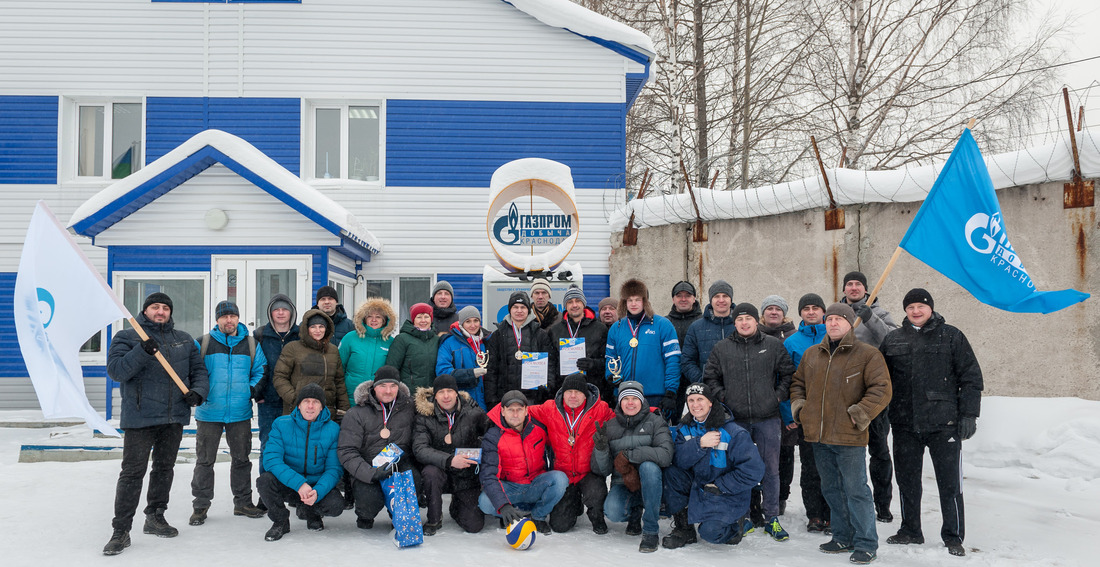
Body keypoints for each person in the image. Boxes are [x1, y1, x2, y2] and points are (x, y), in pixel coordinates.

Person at [103, 292, 208, 556]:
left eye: (165, 308)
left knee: (164, 469)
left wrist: (198, 392)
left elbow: (199, 371)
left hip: (173, 417)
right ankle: (121, 530)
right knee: (132, 473)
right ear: (145, 310)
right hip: (140, 417)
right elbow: (117, 371)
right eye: (155, 307)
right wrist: (141, 350)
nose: (160, 312)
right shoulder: (127, 337)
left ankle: (155, 516)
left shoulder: (183, 340)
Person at [880, 289, 983, 557]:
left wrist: (969, 415)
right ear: (905, 310)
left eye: (920, 306)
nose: (916, 311)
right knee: (907, 481)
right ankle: (911, 530)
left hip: (943, 424)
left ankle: (953, 535)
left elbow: (971, 378)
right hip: (904, 425)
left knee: (950, 484)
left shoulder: (952, 336)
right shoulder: (893, 340)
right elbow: (880, 382)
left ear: (931, 308)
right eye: (911, 307)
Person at [790, 303, 892, 565]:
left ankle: (866, 543)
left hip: (848, 437)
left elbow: (881, 388)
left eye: (839, 319)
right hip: (818, 436)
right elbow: (798, 384)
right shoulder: (812, 354)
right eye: (830, 319)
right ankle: (842, 536)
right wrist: (801, 409)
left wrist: (858, 415)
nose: (833, 323)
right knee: (832, 488)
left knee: (856, 489)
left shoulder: (867, 355)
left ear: (850, 323)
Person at [703, 302, 795, 541]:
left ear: (757, 322)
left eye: (748, 319)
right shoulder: (722, 348)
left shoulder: (773, 345)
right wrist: (723, 397)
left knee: (770, 469)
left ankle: (771, 517)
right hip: (736, 420)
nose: (744, 323)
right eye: (739, 319)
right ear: (735, 323)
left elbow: (788, 374)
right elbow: (710, 376)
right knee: (738, 468)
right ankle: (742, 516)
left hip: (768, 418)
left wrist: (777, 396)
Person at [189, 301, 267, 526]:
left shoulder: (251, 344)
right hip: (209, 412)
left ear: (238, 318)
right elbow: (192, 371)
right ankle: (200, 506)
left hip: (240, 412)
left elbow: (261, 370)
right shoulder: (202, 343)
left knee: (242, 460)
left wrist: (249, 391)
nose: (229, 320)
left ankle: (242, 503)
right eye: (224, 317)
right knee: (204, 461)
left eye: (233, 316)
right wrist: (199, 393)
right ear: (217, 320)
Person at [662, 383, 764, 549]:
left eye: (700, 399)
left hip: (726, 492)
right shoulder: (684, 428)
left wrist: (721, 485)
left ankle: (734, 526)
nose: (695, 405)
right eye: (691, 400)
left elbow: (754, 471)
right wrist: (699, 444)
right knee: (672, 473)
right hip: (699, 486)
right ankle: (684, 529)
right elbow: (679, 460)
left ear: (710, 402)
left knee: (711, 533)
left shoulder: (734, 432)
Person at [840, 271, 897, 522]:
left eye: (858, 284)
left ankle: (882, 504)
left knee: (879, 451)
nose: (853, 288)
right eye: (849, 284)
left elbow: (892, 339)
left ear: (866, 289)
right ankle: (847, 503)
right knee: (847, 452)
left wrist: (870, 317)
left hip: (873, 396)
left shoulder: (881, 313)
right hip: (843, 394)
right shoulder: (837, 313)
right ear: (844, 290)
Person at [591, 381, 673, 553]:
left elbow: (665, 455)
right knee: (612, 510)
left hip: (651, 483)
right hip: (623, 483)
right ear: (619, 402)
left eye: (634, 398)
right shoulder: (611, 426)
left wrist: (630, 455)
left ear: (642, 401)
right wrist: (601, 449)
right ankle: (635, 511)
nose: (630, 402)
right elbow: (602, 470)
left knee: (649, 467)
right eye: (625, 398)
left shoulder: (656, 422)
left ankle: (650, 530)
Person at [527, 373, 615, 534]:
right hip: (564, 475)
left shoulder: (600, 409)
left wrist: (650, 411)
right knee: (560, 526)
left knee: (596, 492)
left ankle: (597, 515)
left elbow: (622, 418)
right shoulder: (549, 408)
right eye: (569, 392)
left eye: (578, 392)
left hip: (589, 473)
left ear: (585, 394)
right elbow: (521, 411)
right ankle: (574, 502)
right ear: (563, 392)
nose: (573, 396)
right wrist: (494, 416)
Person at [257, 383, 345, 541]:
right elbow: (271, 459)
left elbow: (334, 469)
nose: (310, 406)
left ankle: (312, 512)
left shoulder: (333, 429)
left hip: (315, 485)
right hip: (290, 485)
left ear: (322, 407)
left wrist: (317, 491)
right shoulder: (281, 424)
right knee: (265, 481)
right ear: (298, 405)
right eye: (306, 401)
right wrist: (299, 484)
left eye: (316, 402)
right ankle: (280, 521)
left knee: (336, 505)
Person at [339, 366, 418, 530]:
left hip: (399, 464)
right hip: (368, 467)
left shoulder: (410, 408)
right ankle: (365, 515)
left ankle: (398, 514)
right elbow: (347, 451)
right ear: (374, 388)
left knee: (415, 480)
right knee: (369, 501)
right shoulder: (356, 413)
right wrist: (371, 473)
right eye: (383, 386)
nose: (388, 391)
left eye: (393, 386)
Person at [478, 390, 568, 535]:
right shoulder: (493, 436)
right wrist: (504, 505)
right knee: (485, 502)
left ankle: (538, 515)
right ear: (502, 411)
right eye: (510, 410)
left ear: (526, 410)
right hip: (510, 488)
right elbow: (489, 475)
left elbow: (558, 448)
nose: (515, 414)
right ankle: (512, 513)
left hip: (535, 484)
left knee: (560, 479)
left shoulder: (539, 428)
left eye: (519, 409)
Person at [413, 374, 491, 535]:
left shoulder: (473, 412)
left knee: (474, 525)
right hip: (440, 471)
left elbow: (490, 436)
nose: (446, 396)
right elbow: (420, 448)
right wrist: (449, 460)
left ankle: (457, 506)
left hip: (465, 475)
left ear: (457, 392)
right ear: (435, 395)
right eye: (441, 392)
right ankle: (434, 517)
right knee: (430, 472)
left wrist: (477, 446)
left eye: (450, 391)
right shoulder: (424, 416)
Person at [782, 293, 831, 533]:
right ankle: (814, 514)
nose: (811, 312)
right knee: (811, 467)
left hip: (834, 415)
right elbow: (785, 381)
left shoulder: (836, 334)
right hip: (807, 415)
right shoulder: (791, 342)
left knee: (832, 467)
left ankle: (832, 513)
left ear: (823, 311)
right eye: (806, 309)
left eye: (815, 308)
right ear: (800, 313)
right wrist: (789, 414)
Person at [604, 279, 681, 421]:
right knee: (627, 440)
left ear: (645, 301)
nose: (633, 304)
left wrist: (671, 392)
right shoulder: (617, 327)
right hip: (626, 396)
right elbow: (610, 358)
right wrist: (610, 375)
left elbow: (673, 361)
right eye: (629, 300)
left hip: (654, 395)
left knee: (654, 439)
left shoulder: (662, 325)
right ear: (624, 302)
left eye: (637, 299)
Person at [253, 294, 300, 489]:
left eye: (285, 308)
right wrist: (258, 394)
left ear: (292, 312)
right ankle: (268, 491)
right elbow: (254, 366)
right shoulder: (260, 335)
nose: (281, 312)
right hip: (269, 401)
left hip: (296, 400)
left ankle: (293, 489)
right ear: (270, 313)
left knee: (296, 447)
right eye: (276, 309)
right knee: (268, 446)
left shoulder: (301, 335)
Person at [757, 293, 796, 522]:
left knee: (785, 454)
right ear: (763, 313)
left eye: (778, 309)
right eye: (769, 308)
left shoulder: (792, 335)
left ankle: (781, 497)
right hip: (761, 404)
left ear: (784, 313)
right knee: (760, 454)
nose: (774, 312)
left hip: (786, 403)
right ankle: (758, 498)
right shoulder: (754, 334)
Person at [483, 291, 555, 408]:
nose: (519, 311)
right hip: (505, 398)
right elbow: (491, 369)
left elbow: (550, 364)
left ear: (528, 310)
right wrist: (492, 400)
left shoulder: (540, 334)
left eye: (523, 307)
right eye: (515, 307)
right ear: (510, 310)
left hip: (533, 398)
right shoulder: (498, 335)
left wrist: (547, 387)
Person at [273, 310, 350, 417]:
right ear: (306, 329)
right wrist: (295, 398)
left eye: (321, 326)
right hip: (299, 411)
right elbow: (279, 377)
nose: (318, 330)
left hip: (326, 411)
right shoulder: (292, 348)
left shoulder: (332, 350)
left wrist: (343, 408)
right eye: (313, 327)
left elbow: (339, 382)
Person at [680, 280, 736, 414]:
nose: (721, 300)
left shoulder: (740, 325)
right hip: (705, 395)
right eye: (717, 296)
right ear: (711, 300)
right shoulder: (696, 327)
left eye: (725, 296)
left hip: (736, 393)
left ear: (731, 299)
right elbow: (686, 361)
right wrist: (703, 382)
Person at [547, 284, 609, 401]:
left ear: (583, 304)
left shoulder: (600, 329)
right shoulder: (555, 331)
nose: (574, 305)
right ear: (565, 305)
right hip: (564, 390)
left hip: (591, 389)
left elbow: (608, 360)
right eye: (570, 302)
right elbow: (551, 362)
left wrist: (593, 364)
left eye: (578, 301)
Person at [339, 297, 398, 397]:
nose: (373, 320)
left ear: (384, 320)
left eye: (378, 317)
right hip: (351, 394)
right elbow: (339, 368)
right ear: (364, 319)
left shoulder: (391, 342)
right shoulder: (350, 338)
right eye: (370, 316)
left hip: (378, 396)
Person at [436, 305, 490, 409]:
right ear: (461, 324)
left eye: (476, 320)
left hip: (486, 401)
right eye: (468, 321)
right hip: (462, 401)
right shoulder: (449, 343)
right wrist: (471, 374)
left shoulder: (487, 341)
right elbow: (443, 371)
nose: (473, 325)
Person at [667, 280, 703, 422]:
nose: (683, 299)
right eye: (679, 295)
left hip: (696, 381)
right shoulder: (665, 323)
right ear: (673, 299)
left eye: (687, 295)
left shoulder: (703, 322)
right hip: (672, 386)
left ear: (694, 298)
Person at [385, 302, 440, 390]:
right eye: (419, 317)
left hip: (432, 394)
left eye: (426, 317)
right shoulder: (402, 339)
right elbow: (392, 368)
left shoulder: (437, 340)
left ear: (431, 319)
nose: (423, 320)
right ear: (413, 320)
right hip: (409, 394)